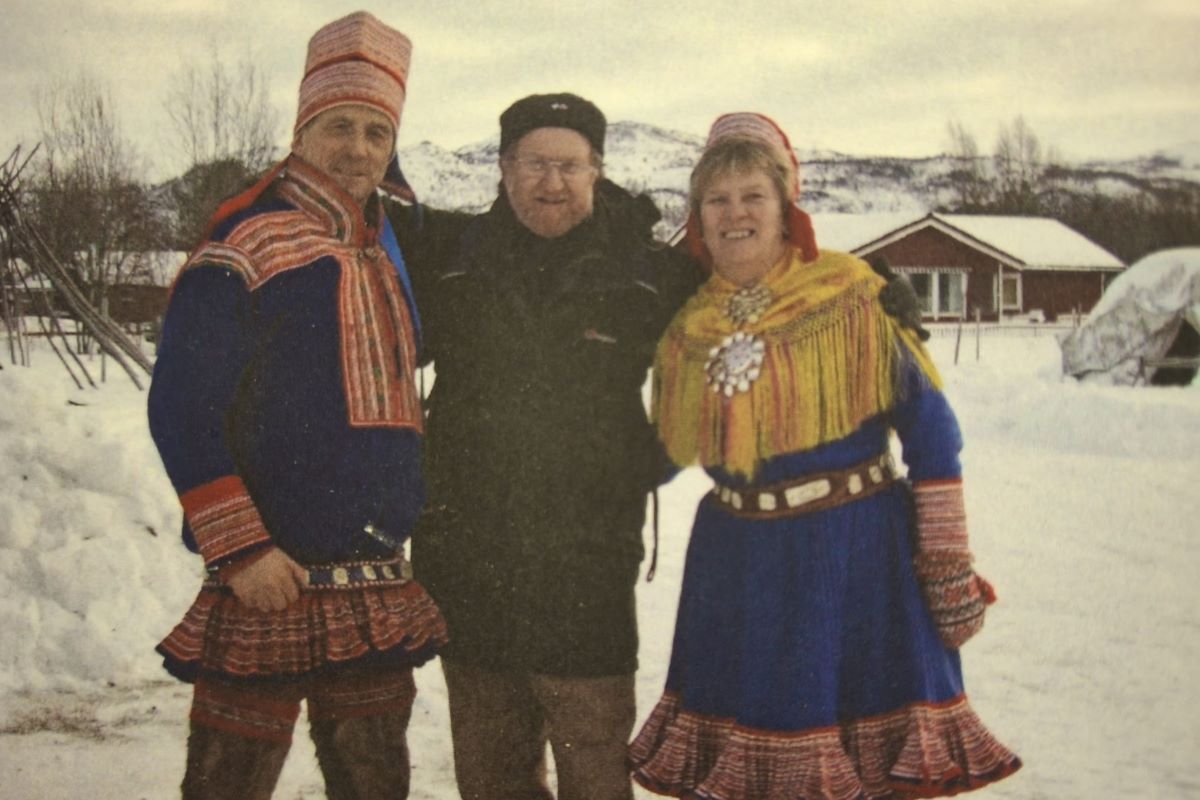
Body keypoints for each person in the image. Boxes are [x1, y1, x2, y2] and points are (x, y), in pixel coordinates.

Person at [628, 113, 1021, 799]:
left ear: (786, 206)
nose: (735, 213)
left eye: (753, 195)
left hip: (854, 556)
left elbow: (933, 432)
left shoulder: (851, 296)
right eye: (717, 200)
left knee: (863, 771)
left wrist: (946, 563)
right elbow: (660, 453)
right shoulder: (687, 326)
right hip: (739, 565)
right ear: (698, 217)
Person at [147, 12, 447, 799]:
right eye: (339, 127)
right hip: (268, 572)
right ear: (303, 128)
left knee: (374, 779)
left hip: (372, 570)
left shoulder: (386, 248)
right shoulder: (247, 247)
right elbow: (181, 405)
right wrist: (240, 549)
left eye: (377, 133)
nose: (358, 149)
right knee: (227, 782)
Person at [394, 92, 701, 800]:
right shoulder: (451, 257)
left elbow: (750, 297)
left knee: (595, 763)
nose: (551, 182)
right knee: (491, 767)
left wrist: (643, 464)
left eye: (569, 165)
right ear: (503, 169)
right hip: (469, 561)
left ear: (597, 170)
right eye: (534, 163)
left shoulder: (647, 271)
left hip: (586, 567)